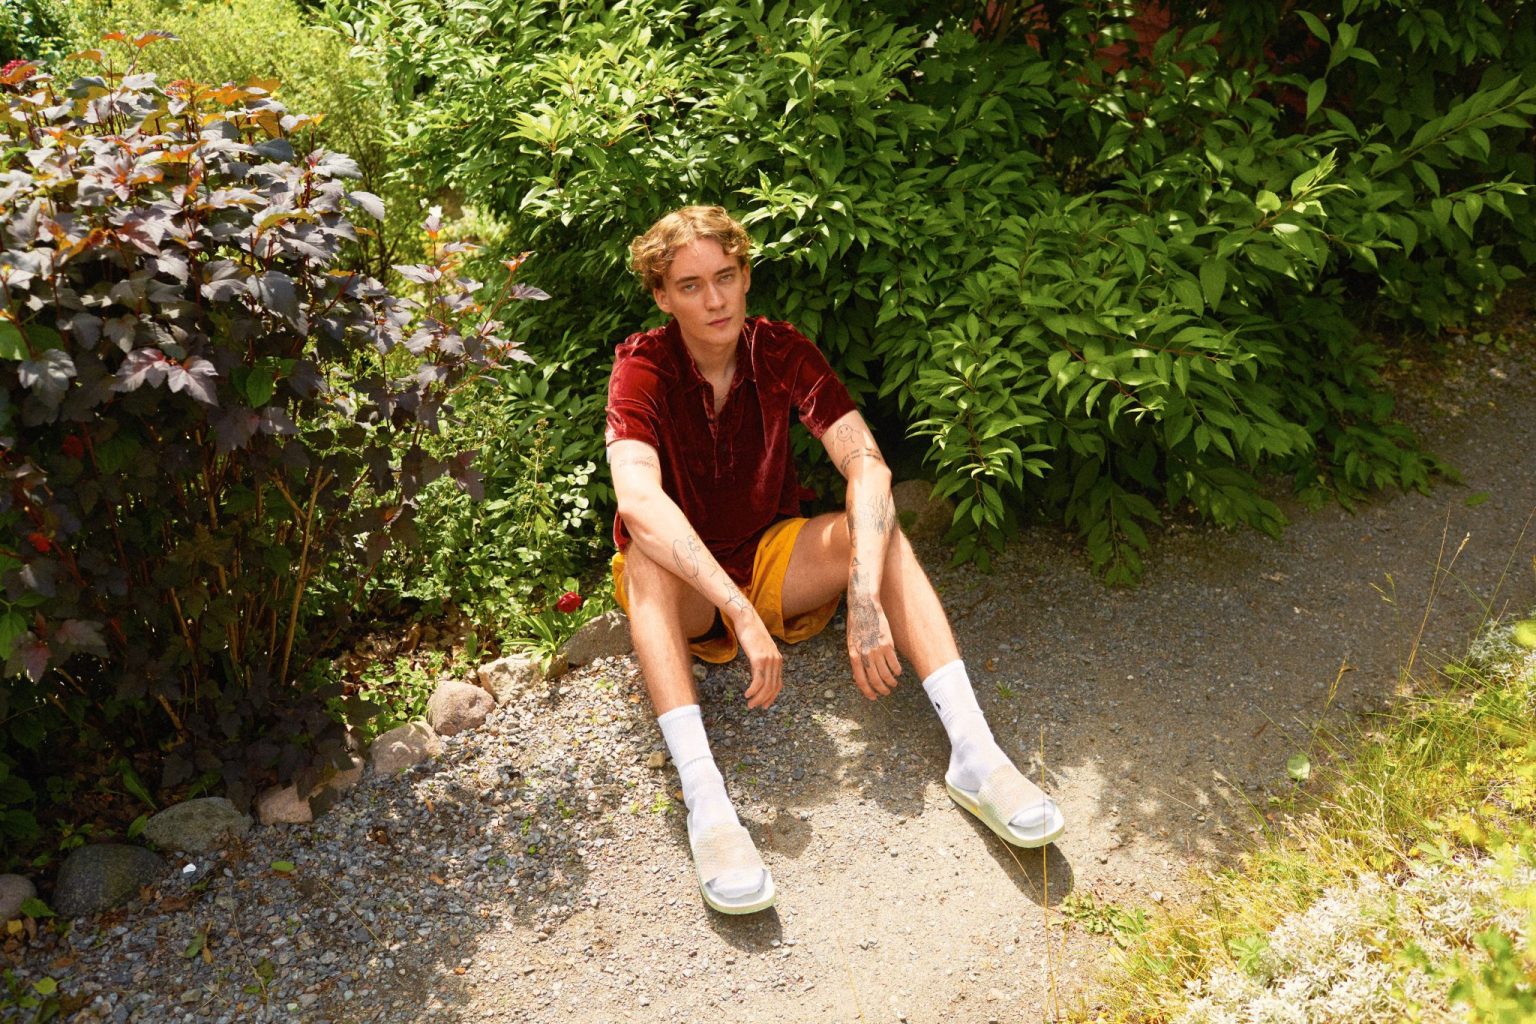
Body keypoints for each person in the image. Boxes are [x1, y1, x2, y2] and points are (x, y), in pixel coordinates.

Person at [605, 205, 1064, 915]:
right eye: (691, 286)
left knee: (874, 524)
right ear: (662, 296)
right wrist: (734, 609)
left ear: (747, 276)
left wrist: (864, 597)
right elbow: (637, 499)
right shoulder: (643, 364)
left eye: (726, 277)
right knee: (642, 556)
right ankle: (708, 805)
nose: (716, 299)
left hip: (770, 557)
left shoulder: (782, 348)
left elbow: (870, 468)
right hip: (691, 584)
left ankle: (977, 753)